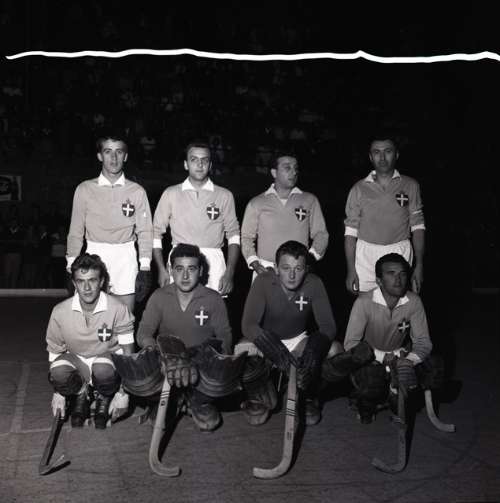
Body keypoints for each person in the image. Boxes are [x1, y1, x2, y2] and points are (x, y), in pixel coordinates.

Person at [135, 243, 236, 431]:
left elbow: (225, 337)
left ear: (201, 271)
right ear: (171, 270)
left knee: (210, 423)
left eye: (192, 269)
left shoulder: (213, 298)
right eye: (179, 269)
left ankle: (198, 399)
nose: (185, 276)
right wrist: (161, 354)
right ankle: (169, 399)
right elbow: (143, 333)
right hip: (169, 363)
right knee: (158, 421)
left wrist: (209, 360)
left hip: (200, 362)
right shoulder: (159, 296)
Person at [239, 240, 338, 426]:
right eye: (285, 268)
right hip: (268, 341)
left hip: (297, 341)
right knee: (242, 348)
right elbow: (248, 324)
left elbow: (328, 326)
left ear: (306, 269)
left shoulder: (314, 283)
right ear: (276, 268)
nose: (292, 275)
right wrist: (278, 354)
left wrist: (312, 352)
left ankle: (308, 395)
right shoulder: (263, 281)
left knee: (334, 350)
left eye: (298, 268)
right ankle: (258, 393)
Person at [338, 253, 434, 423]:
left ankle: (394, 393)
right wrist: (383, 358)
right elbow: (350, 344)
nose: (398, 280)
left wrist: (408, 361)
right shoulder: (364, 302)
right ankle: (363, 400)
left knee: (435, 368)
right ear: (379, 281)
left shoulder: (413, 301)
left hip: (400, 356)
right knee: (371, 382)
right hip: (371, 359)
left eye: (402, 274)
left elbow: (423, 341)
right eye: (391, 274)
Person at [66, 133, 153, 312]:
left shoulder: (137, 191)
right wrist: (70, 265)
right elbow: (76, 230)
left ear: (125, 156)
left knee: (125, 317)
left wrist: (145, 267)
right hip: (94, 253)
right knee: (90, 317)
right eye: (108, 152)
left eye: (119, 152)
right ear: (100, 156)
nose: (114, 158)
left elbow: (145, 231)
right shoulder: (84, 189)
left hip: (125, 256)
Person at [46, 254, 135, 429]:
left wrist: (124, 392)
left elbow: (128, 353)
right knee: (57, 370)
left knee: (102, 367)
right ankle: (82, 393)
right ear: (74, 283)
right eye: (81, 281)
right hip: (78, 361)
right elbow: (54, 352)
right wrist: (58, 391)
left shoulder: (118, 308)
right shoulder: (60, 311)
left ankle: (105, 394)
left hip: (107, 362)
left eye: (92, 280)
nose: (86, 288)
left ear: (101, 282)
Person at [152, 141, 240, 295]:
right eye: (194, 160)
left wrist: (230, 272)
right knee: (179, 308)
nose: (200, 165)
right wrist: (160, 268)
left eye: (204, 160)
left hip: (213, 262)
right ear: (186, 164)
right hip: (180, 261)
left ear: (210, 165)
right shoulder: (171, 193)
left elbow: (233, 236)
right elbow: (155, 233)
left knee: (211, 308)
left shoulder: (224, 195)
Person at [344, 135, 425, 294]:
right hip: (366, 256)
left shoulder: (410, 185)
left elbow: (418, 228)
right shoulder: (358, 188)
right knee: (366, 305)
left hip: (399, 252)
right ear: (370, 156)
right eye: (376, 152)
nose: (382, 158)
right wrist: (351, 270)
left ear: (396, 154)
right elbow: (350, 233)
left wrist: (419, 265)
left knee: (398, 305)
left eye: (387, 151)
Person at [241, 152, 329, 276]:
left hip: (298, 271)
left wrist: (310, 258)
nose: (294, 172)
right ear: (274, 173)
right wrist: (255, 263)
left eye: (296, 168)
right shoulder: (256, 203)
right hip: (265, 270)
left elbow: (321, 234)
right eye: (287, 168)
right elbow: (246, 238)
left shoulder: (309, 200)